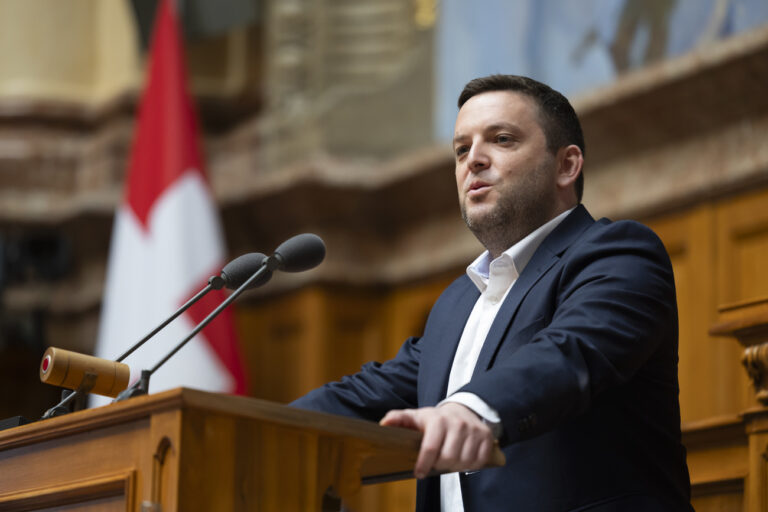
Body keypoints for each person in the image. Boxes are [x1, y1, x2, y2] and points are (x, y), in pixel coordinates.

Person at [291, 75, 692, 511]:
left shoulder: (618, 254)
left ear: (567, 165)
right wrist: (241, 426)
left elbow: (570, 353)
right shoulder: (456, 304)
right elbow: (367, 395)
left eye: (501, 139)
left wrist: (471, 409)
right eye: (461, 149)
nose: (473, 161)